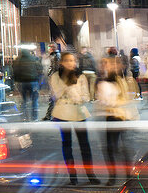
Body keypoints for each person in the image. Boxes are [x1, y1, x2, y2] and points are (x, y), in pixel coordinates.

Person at [49, 52, 99, 185]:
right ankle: (72, 174)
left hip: (79, 112)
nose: (72, 63)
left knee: (85, 144)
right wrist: (69, 86)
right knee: (67, 144)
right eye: (68, 61)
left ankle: (90, 173)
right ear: (62, 63)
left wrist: (74, 94)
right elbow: (56, 95)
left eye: (73, 60)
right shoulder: (55, 76)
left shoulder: (80, 75)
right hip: (62, 113)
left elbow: (86, 96)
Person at [95, 56, 137, 185]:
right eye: (105, 64)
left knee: (122, 147)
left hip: (121, 117)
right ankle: (112, 176)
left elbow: (128, 97)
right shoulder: (101, 81)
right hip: (110, 117)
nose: (108, 66)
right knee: (110, 148)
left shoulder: (121, 80)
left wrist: (115, 103)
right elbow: (102, 101)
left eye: (110, 64)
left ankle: (128, 175)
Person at [11, 47, 42, 121]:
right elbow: (40, 69)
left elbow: (15, 71)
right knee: (34, 100)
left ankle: (24, 117)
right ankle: (35, 118)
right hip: (33, 81)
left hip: (22, 82)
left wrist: (16, 81)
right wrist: (38, 79)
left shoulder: (18, 60)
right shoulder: (34, 59)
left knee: (24, 100)